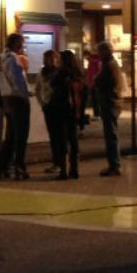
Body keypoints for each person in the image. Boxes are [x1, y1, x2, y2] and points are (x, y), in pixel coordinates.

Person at [0, 33, 31, 180]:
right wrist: (25, 94)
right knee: (20, 135)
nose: (22, 46)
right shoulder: (12, 58)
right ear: (16, 43)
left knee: (10, 136)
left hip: (8, 98)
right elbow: (17, 80)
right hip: (18, 99)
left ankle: (3, 166)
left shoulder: (3, 58)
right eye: (21, 43)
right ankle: (19, 166)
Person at [50, 50, 84, 179]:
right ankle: (74, 169)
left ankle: (63, 170)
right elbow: (83, 93)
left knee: (62, 140)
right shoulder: (78, 74)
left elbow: (53, 85)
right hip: (74, 110)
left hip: (61, 110)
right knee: (73, 140)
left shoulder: (60, 74)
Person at [93, 42, 125, 176]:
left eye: (99, 51)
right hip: (112, 102)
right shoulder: (111, 64)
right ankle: (114, 164)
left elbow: (101, 81)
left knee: (111, 134)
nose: (98, 55)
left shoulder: (109, 65)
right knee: (111, 134)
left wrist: (96, 79)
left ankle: (114, 165)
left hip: (109, 103)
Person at [37, 50, 62, 174]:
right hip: (48, 106)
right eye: (49, 58)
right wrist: (42, 103)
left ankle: (59, 162)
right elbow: (38, 89)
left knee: (59, 136)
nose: (51, 61)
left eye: (53, 58)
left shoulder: (59, 73)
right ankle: (56, 162)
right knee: (53, 136)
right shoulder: (42, 73)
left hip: (58, 106)